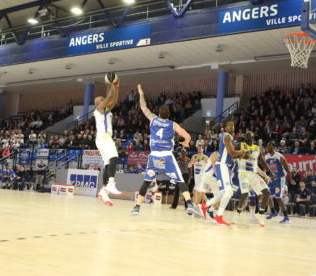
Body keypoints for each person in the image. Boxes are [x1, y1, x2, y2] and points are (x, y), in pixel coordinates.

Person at [130, 84, 201, 217]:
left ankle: (137, 207)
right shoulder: (172, 124)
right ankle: (190, 205)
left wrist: (141, 93)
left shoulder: (153, 119)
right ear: (169, 115)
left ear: (159, 114)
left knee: (146, 181)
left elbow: (143, 107)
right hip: (167, 157)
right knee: (180, 181)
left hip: (154, 157)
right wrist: (185, 142)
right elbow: (188, 136)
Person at [201, 121, 246, 226]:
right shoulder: (227, 136)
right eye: (229, 125)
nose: (231, 127)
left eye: (233, 125)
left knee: (223, 192)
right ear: (225, 128)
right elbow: (232, 153)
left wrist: (238, 155)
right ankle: (218, 216)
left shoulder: (229, 138)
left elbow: (232, 154)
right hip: (222, 165)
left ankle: (204, 206)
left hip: (225, 166)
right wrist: (242, 153)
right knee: (229, 192)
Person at [230, 131, 274, 227]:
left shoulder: (257, 148)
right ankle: (237, 215)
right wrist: (240, 155)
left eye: (250, 136)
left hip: (253, 174)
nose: (248, 137)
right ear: (245, 137)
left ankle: (260, 214)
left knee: (266, 192)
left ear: (253, 137)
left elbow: (262, 162)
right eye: (246, 136)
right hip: (243, 174)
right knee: (245, 194)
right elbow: (232, 154)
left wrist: (270, 173)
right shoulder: (240, 145)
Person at [94, 75, 121, 206]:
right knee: (114, 157)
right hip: (103, 138)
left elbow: (114, 99)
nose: (104, 99)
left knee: (107, 164)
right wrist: (111, 85)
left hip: (103, 138)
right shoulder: (98, 110)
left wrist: (117, 86)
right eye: (101, 99)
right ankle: (111, 183)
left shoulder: (106, 110)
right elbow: (110, 97)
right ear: (98, 103)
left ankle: (104, 190)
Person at [264, 142, 294, 224]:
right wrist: (266, 176)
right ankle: (273, 212)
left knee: (278, 198)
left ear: (274, 147)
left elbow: (287, 168)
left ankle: (286, 217)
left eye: (269, 146)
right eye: (267, 146)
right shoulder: (266, 156)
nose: (267, 148)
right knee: (267, 195)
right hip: (272, 178)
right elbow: (267, 169)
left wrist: (290, 179)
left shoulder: (279, 157)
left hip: (279, 179)